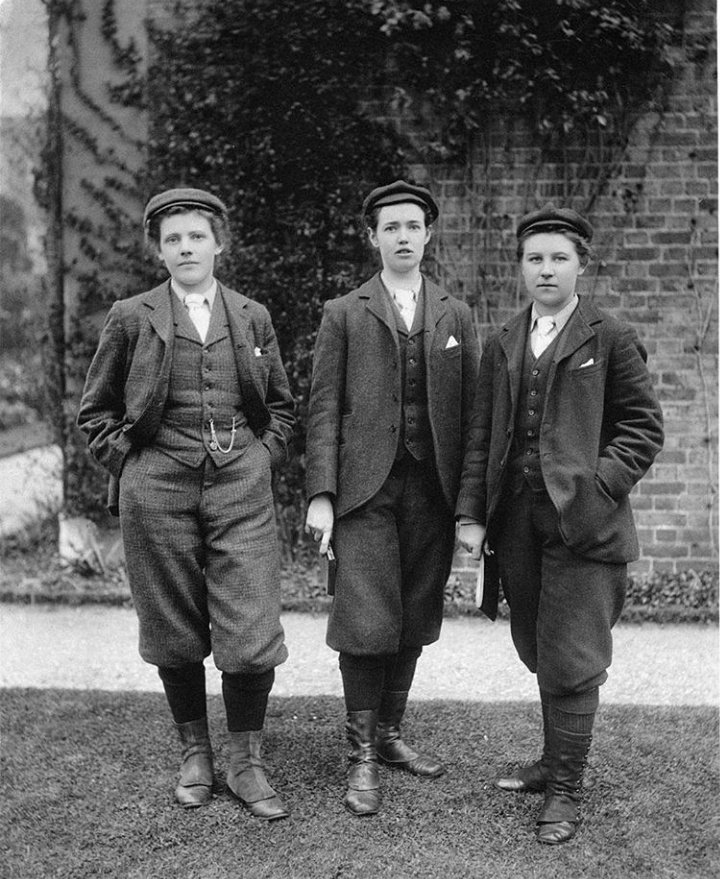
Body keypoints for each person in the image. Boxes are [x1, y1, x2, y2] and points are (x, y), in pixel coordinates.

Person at [77, 187, 295, 820]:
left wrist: (261, 455)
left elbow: (279, 405)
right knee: (173, 627)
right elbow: (96, 410)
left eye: (196, 236)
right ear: (159, 251)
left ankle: (246, 760)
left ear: (219, 244)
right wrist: (131, 463)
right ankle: (196, 753)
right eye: (173, 239)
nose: (185, 248)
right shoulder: (131, 315)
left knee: (251, 629)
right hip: (158, 488)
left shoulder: (251, 315)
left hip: (240, 487)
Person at [457, 204, 664, 844]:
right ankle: (552, 764)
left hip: (584, 527)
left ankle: (566, 790)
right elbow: (482, 436)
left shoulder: (610, 337)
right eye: (535, 258)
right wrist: (472, 512)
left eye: (559, 258)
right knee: (537, 646)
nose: (546, 269)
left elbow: (643, 429)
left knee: (572, 656)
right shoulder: (504, 340)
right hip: (517, 523)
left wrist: (596, 491)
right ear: (521, 266)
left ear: (581, 265)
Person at [304, 179, 480, 816]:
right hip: (363, 490)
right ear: (372, 237)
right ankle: (361, 758)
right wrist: (322, 495)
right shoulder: (344, 312)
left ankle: (390, 734)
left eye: (414, 226)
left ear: (428, 233)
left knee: (413, 616)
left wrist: (469, 504)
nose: (403, 237)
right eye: (391, 227)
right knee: (364, 618)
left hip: (431, 489)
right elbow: (323, 410)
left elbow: (473, 417)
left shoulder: (455, 315)